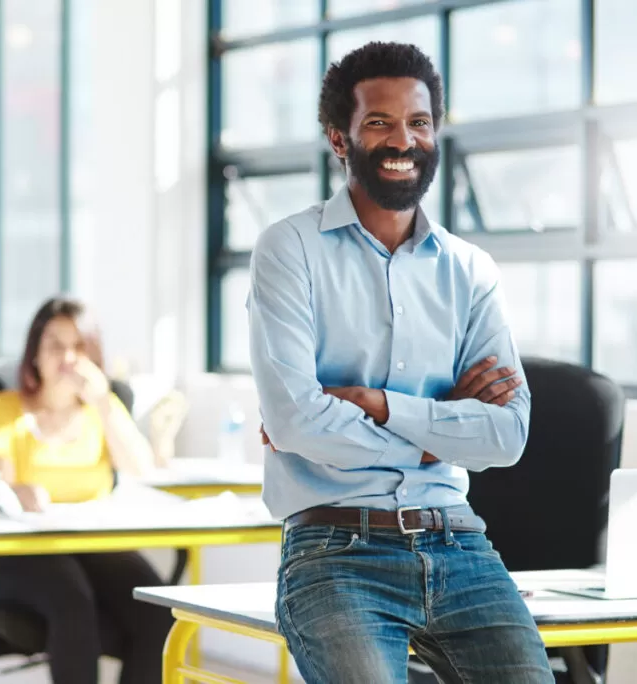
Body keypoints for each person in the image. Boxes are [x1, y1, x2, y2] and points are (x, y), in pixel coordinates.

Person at [249, 42, 552, 683]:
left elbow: (508, 434)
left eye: (417, 122)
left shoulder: (470, 270)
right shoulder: (290, 248)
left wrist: (384, 407)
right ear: (340, 139)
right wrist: (437, 432)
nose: (403, 140)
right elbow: (298, 421)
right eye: (379, 122)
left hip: (460, 542)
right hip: (335, 549)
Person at [0, 297, 173, 684]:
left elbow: (140, 468)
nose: (67, 356)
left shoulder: (103, 408)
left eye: (78, 346)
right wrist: (16, 490)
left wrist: (100, 398)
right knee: (72, 600)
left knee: (157, 606)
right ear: (34, 354)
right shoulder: (3, 408)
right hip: (24, 548)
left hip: (93, 542)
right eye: (55, 345)